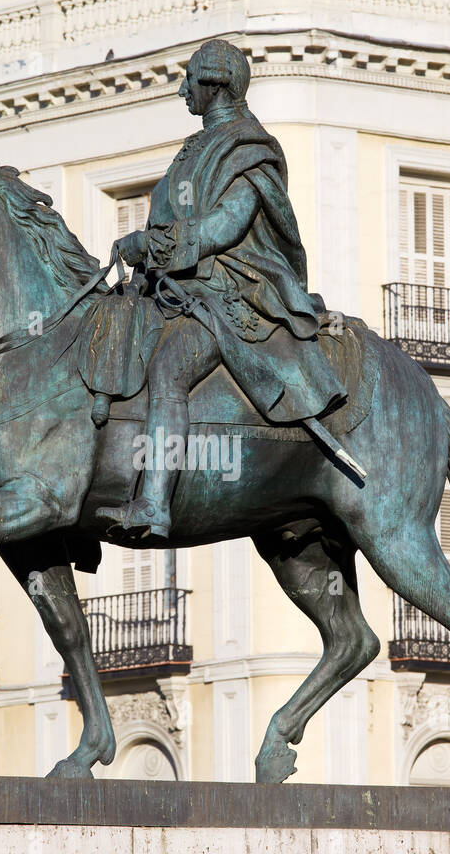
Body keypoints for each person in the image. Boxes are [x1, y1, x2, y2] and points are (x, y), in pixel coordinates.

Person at [98, 38, 347, 539]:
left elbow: (225, 228)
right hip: (170, 288)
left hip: (232, 291)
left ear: (212, 83)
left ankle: (153, 504)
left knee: (169, 367)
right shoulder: (195, 147)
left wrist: (153, 244)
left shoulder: (247, 149)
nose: (182, 90)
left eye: (189, 79)